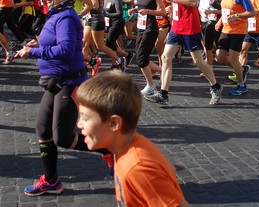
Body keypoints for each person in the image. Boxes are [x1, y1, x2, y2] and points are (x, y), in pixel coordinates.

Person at [15, 0, 105, 196]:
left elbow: (65, 50)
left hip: (70, 82)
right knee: (42, 130)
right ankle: (51, 180)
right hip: (54, 82)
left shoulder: (65, 15)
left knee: (63, 137)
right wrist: (37, 43)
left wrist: (33, 52)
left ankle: (110, 149)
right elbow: (54, 41)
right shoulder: (55, 13)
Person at [76, 72, 190, 207]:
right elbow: (170, 169)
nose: (79, 124)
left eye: (85, 118)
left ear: (114, 123)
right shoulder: (126, 148)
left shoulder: (139, 168)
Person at [144, 0, 222, 106]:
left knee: (197, 61)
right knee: (166, 57)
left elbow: (193, 1)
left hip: (189, 27)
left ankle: (215, 86)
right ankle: (164, 93)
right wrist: (172, 9)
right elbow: (181, 2)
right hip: (177, 26)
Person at [214, 0, 256, 96]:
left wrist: (237, 16)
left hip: (238, 30)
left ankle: (241, 85)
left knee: (233, 57)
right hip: (226, 28)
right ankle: (242, 69)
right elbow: (225, 9)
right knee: (219, 56)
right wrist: (220, 21)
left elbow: (252, 12)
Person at [130, 0, 166, 95]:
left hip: (150, 28)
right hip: (140, 27)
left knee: (141, 58)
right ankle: (162, 71)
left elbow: (162, 12)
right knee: (140, 57)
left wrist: (148, 11)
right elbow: (140, 5)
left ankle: (151, 85)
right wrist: (134, 9)